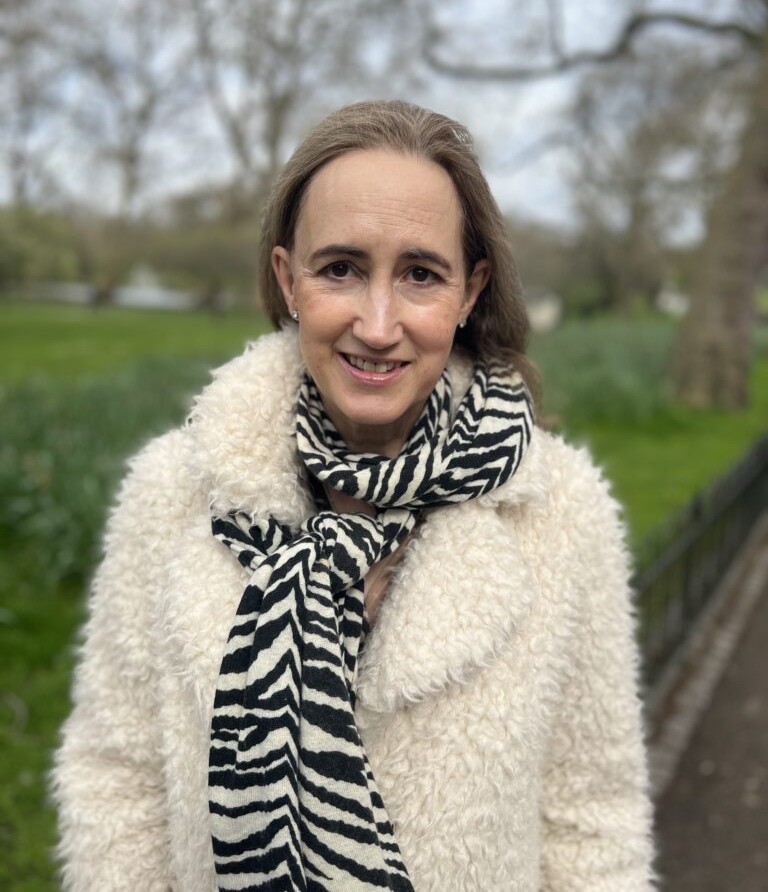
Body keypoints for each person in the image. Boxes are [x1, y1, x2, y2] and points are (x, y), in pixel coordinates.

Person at [53, 100, 655, 891]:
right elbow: (117, 774)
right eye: (340, 268)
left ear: (470, 292)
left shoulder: (565, 510)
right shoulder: (171, 494)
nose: (377, 324)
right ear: (288, 280)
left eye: (420, 274)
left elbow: (591, 812)